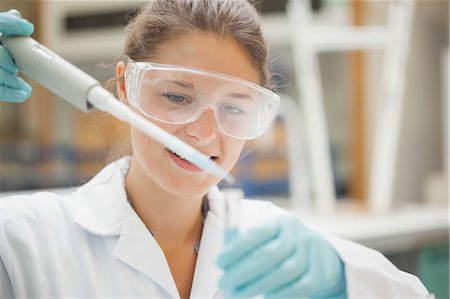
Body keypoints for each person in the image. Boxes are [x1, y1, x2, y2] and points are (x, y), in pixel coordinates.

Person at [0, 1, 430, 298]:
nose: (204, 134)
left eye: (232, 108)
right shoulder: (23, 241)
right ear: (127, 89)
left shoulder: (275, 245)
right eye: (176, 97)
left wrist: (345, 283)